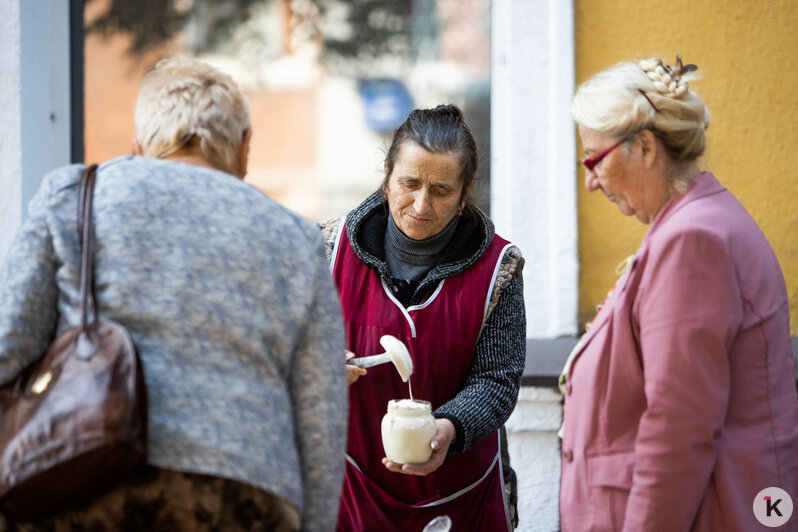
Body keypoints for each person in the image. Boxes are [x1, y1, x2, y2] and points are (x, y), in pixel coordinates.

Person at [0, 57, 347, 532]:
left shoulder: (72, 196)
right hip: (245, 497)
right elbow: (320, 422)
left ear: (140, 146)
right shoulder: (297, 239)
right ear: (245, 150)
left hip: (86, 484)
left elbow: (7, 346)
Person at [559, 55, 798, 531]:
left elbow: (677, 428)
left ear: (645, 147)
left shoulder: (693, 240)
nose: (589, 181)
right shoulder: (697, 223)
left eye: (594, 159)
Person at [318, 104, 526, 531]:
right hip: (349, 490)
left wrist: (449, 428)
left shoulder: (498, 269)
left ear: (466, 191)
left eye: (442, 190)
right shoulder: (327, 250)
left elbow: (497, 380)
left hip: (460, 496)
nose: (421, 204)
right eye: (409, 183)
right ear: (386, 175)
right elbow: (287, 351)